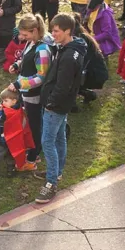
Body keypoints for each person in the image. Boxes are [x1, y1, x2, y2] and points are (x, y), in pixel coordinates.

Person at [34, 13, 88, 204]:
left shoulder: (67, 57)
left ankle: (51, 184)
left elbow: (63, 86)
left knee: (47, 142)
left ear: (67, 31)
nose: (53, 34)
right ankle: (56, 173)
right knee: (59, 138)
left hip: (56, 106)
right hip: (61, 105)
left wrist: (50, 103)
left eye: (56, 31)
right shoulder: (72, 48)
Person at [8, 14, 51, 172]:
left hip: (34, 94)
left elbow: (41, 76)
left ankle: (33, 158)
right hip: (25, 91)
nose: (22, 37)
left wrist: (20, 83)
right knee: (27, 124)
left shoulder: (43, 50)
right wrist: (17, 65)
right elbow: (27, 60)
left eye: (25, 35)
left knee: (34, 126)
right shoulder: (30, 43)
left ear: (34, 30)